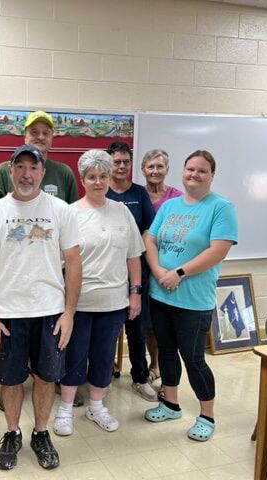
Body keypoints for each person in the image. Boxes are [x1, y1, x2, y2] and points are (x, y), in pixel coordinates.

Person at [0, 144, 81, 471]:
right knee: (10, 379)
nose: (26, 174)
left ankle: (40, 432)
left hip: (50, 311)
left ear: (42, 172)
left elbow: (74, 263)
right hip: (8, 314)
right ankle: (12, 431)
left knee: (47, 377)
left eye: (32, 168)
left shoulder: (62, 210)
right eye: (19, 167)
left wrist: (69, 313)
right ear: (10, 170)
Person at [143, 150, 238, 442]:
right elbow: (150, 238)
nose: (194, 175)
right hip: (160, 294)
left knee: (194, 358)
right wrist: (158, 270)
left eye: (201, 171)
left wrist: (178, 273)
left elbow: (217, 250)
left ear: (211, 175)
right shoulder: (170, 206)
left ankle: (206, 415)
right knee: (167, 352)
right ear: (182, 172)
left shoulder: (221, 207)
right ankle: (170, 403)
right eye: (189, 169)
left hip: (193, 301)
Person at [53, 150, 144, 436]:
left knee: (104, 358)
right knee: (74, 356)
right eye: (91, 177)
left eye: (103, 176)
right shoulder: (69, 214)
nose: (98, 182)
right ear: (82, 180)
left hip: (113, 302)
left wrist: (135, 293)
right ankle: (66, 409)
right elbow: (59, 262)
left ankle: (96, 406)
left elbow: (133, 256)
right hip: (78, 303)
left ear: (110, 177)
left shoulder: (122, 212)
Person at [105, 141, 157, 402]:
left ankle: (139, 377)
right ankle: (101, 378)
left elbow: (148, 229)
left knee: (135, 330)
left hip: (136, 271)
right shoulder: (101, 192)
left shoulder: (139, 193)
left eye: (126, 161)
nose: (122, 166)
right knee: (105, 331)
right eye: (117, 161)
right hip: (107, 273)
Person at [140, 149, 183, 391]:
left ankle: (161, 368)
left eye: (160, 166)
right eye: (150, 167)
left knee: (164, 323)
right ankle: (151, 363)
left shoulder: (176, 198)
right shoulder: (137, 194)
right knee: (146, 322)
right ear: (143, 170)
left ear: (167, 169)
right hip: (141, 267)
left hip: (167, 269)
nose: (155, 171)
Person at [0, 110, 78, 204]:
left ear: (51, 137)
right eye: (34, 132)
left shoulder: (64, 172)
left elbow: (73, 214)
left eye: (46, 133)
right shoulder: (4, 170)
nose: (40, 137)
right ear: (25, 136)